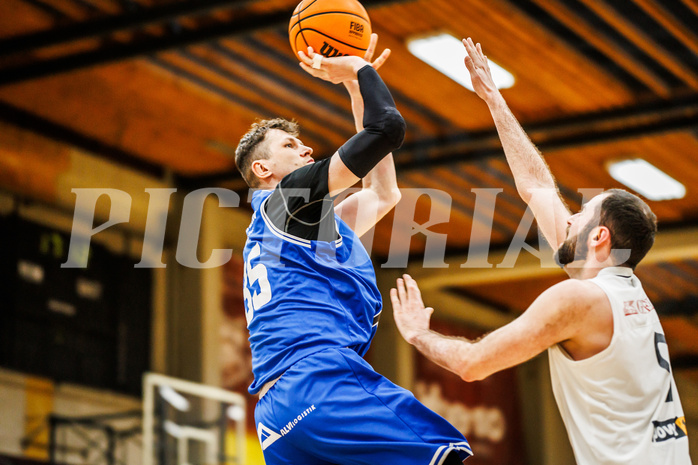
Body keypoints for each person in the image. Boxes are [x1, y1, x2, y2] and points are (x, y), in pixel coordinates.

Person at [390, 37, 691, 465]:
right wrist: (494, 100)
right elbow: (537, 189)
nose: (568, 219)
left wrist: (418, 334)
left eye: (580, 214)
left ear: (599, 238)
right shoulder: (620, 288)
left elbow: (475, 364)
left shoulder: (580, 299)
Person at [235, 35, 472, 465]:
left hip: (276, 418)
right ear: (263, 169)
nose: (305, 148)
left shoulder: (293, 226)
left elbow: (383, 193)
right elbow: (388, 130)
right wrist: (363, 71)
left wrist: (351, 85)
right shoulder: (289, 198)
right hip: (320, 383)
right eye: (289, 146)